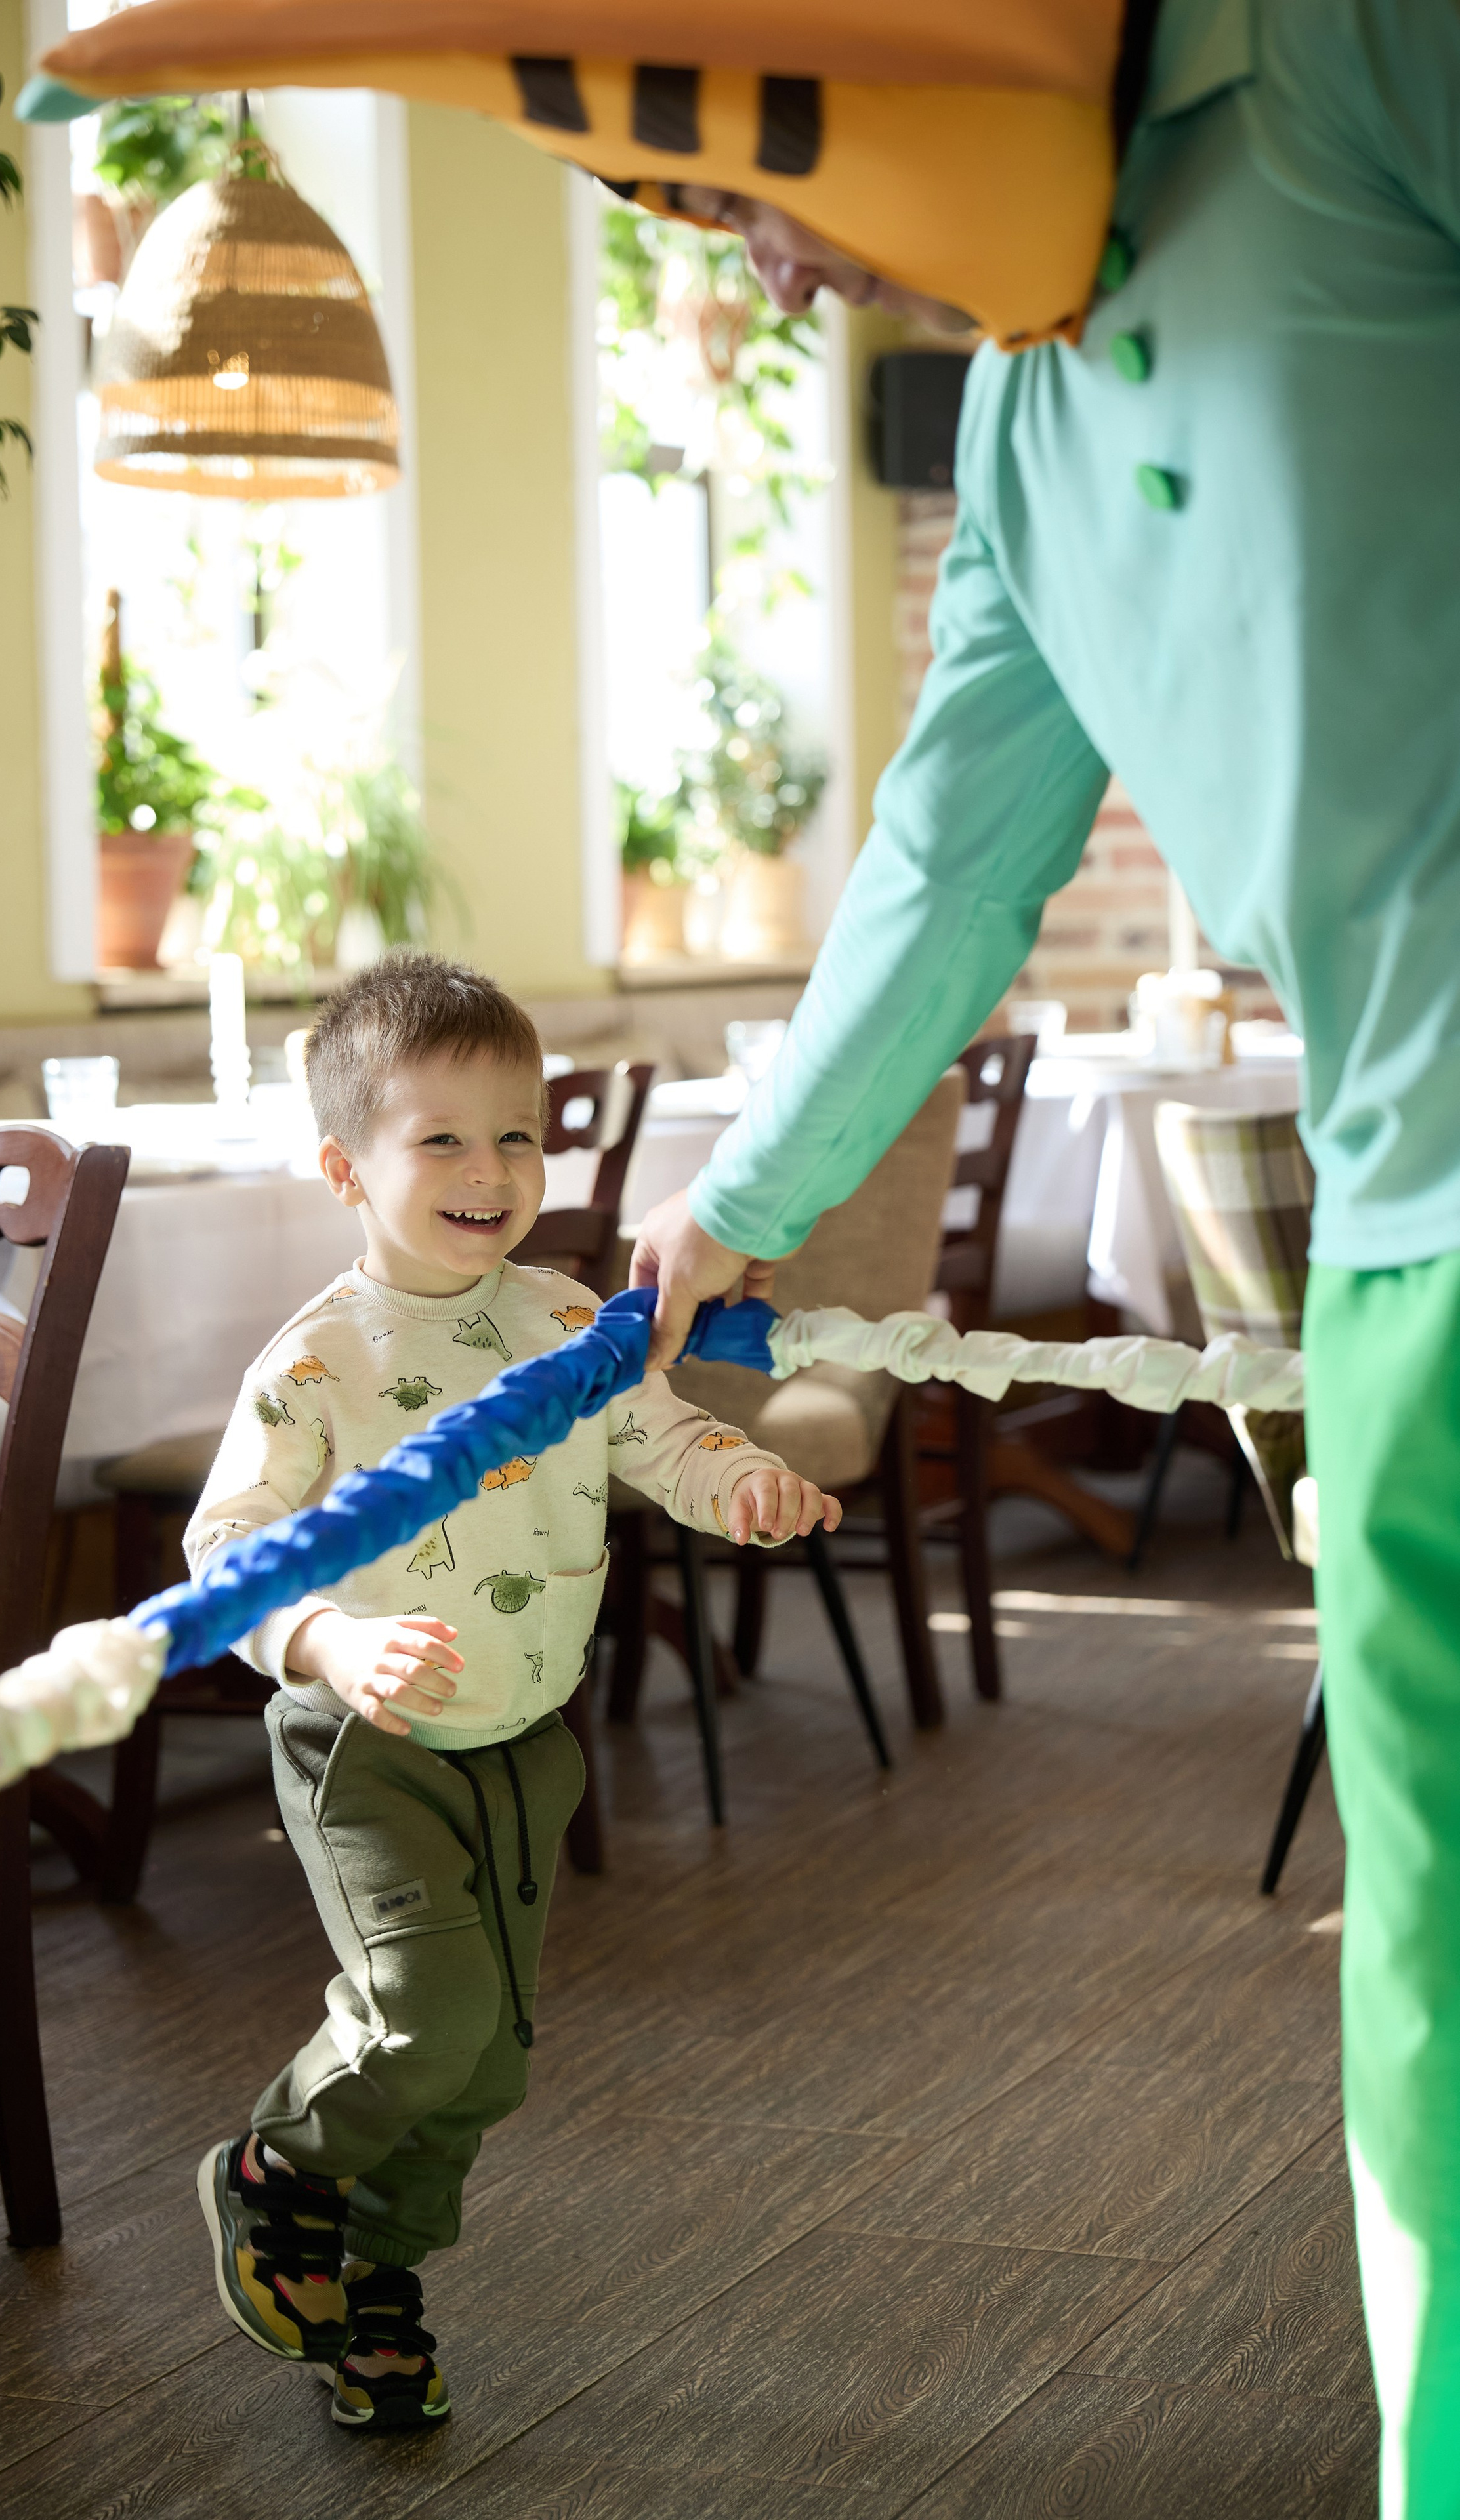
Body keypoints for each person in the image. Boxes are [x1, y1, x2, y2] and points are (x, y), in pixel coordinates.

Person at [629, 11, 1460, 2514]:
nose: (769, 276)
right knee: (1429, 1986)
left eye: (738, 189)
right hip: (1403, 1226)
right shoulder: (1010, 433)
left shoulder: (1334, 49)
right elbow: (952, 859)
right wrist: (737, 1203)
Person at [189, 952, 838, 2433]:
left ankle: (378, 2281)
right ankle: (277, 2166)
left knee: (485, 2062)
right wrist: (327, 1642)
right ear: (346, 1169)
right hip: (368, 1743)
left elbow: (662, 1437)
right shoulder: (315, 1364)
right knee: (426, 2012)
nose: (490, 1171)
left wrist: (740, 1480)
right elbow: (224, 1554)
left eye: (518, 1135)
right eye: (443, 1139)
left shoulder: (565, 1318)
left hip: (525, 1739)